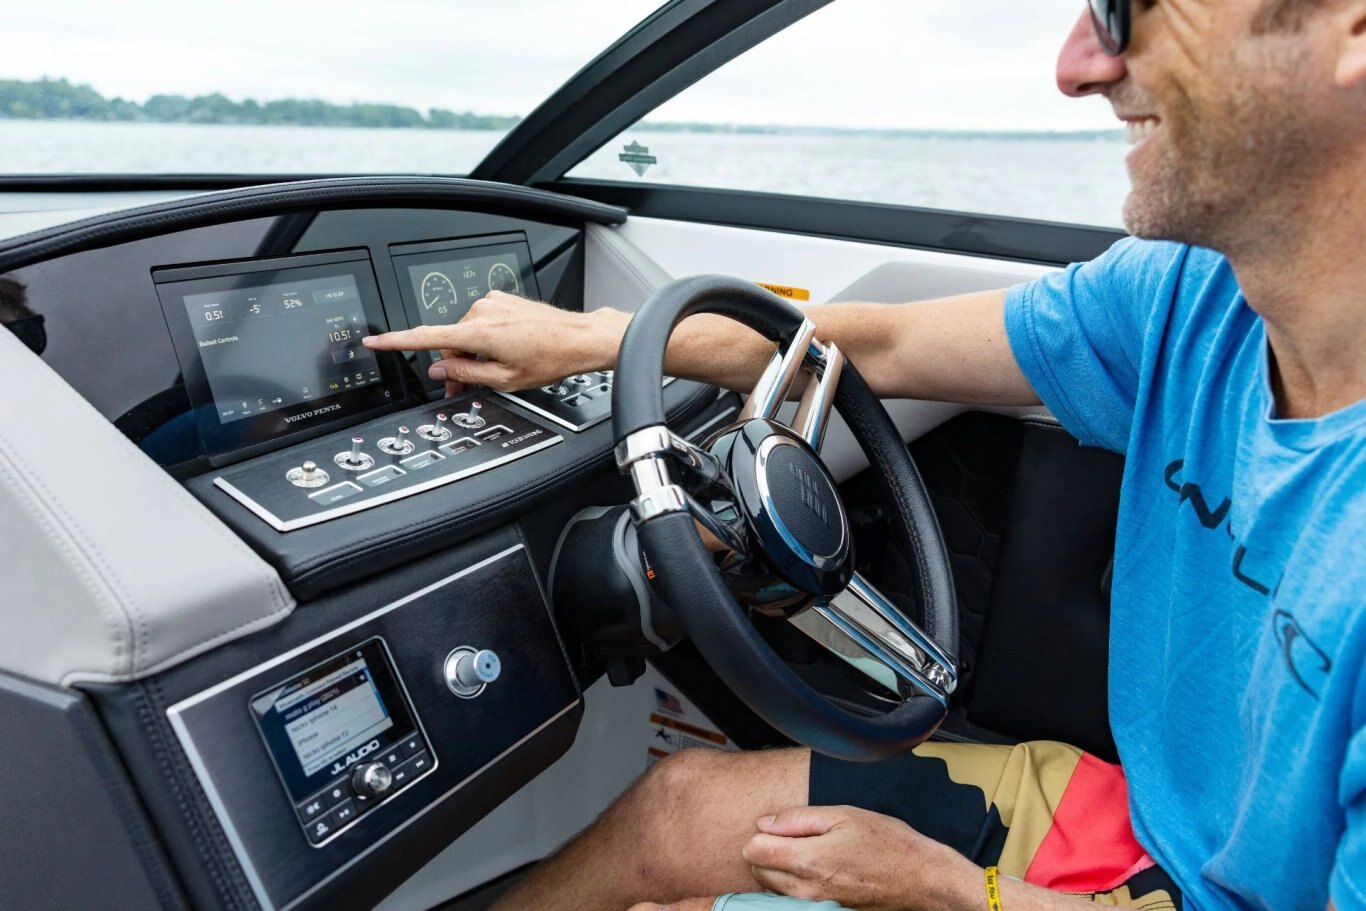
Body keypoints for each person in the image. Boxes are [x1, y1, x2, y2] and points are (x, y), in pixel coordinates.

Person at [362, 1, 1366, 908]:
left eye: (1129, 6)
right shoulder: (1187, 297)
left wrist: (949, 889)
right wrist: (594, 338)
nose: (1076, 65)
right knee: (679, 810)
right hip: (1148, 822)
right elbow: (879, 345)